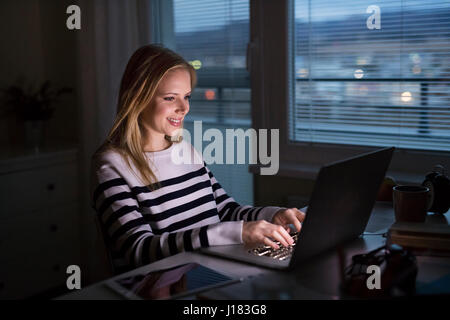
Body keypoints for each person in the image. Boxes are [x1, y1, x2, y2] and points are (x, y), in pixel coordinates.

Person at [91, 44, 305, 273]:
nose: (184, 108)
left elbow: (224, 209)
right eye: (170, 98)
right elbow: (139, 250)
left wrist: (272, 216)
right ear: (138, 97)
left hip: (208, 271)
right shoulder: (111, 165)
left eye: (187, 96)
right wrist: (237, 232)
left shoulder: (186, 150)